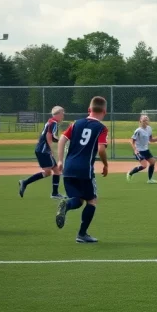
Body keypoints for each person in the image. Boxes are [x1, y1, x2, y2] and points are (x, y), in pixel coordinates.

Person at [54, 96, 109, 244]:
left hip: (69, 168)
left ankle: (66, 205)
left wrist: (60, 160)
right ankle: (82, 234)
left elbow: (62, 139)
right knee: (92, 201)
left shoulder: (76, 123)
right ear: (105, 111)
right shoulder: (101, 128)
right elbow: (101, 149)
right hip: (85, 170)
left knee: (78, 200)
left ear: (89, 110)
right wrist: (105, 164)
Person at [18, 105, 66, 199]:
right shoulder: (54, 123)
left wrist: (60, 140)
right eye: (62, 113)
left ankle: (55, 193)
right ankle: (25, 182)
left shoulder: (51, 122)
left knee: (56, 170)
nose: (63, 115)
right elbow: (48, 136)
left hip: (43, 149)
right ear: (58, 114)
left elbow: (51, 137)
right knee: (48, 171)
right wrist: (52, 149)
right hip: (43, 150)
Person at [126, 115, 157, 184]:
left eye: (147, 120)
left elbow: (151, 140)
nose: (145, 121)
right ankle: (130, 173)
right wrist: (135, 150)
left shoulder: (149, 128)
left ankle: (150, 179)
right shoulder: (138, 131)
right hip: (139, 151)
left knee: (152, 162)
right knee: (144, 166)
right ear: (140, 122)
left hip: (146, 150)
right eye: (144, 120)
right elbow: (132, 141)